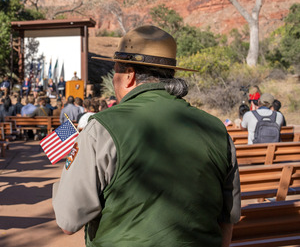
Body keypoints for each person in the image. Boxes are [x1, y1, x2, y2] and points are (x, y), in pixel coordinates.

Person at [52, 25, 240, 246]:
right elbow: (228, 218)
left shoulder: (101, 128)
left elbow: (68, 220)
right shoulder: (217, 129)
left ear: (129, 75)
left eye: (116, 72)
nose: (114, 80)